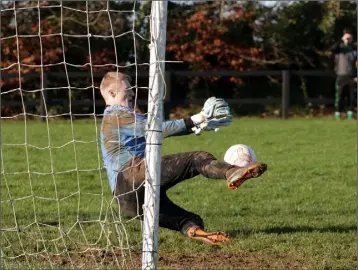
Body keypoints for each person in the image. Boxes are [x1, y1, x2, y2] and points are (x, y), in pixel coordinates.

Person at [99, 71, 268, 245]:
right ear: (112, 93)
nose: (133, 93)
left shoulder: (120, 118)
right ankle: (232, 172)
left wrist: (198, 125)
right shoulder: (115, 114)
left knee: (188, 220)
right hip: (131, 175)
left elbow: (158, 131)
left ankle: (197, 232)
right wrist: (198, 118)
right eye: (128, 91)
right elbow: (155, 129)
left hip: (126, 201)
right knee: (197, 158)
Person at [331, 30, 357, 120]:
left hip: (351, 76)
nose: (348, 40)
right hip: (341, 75)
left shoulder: (354, 50)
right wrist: (341, 40)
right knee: (340, 95)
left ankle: (350, 114)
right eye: (347, 38)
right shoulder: (339, 50)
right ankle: (338, 113)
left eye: (350, 38)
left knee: (351, 96)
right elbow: (333, 48)